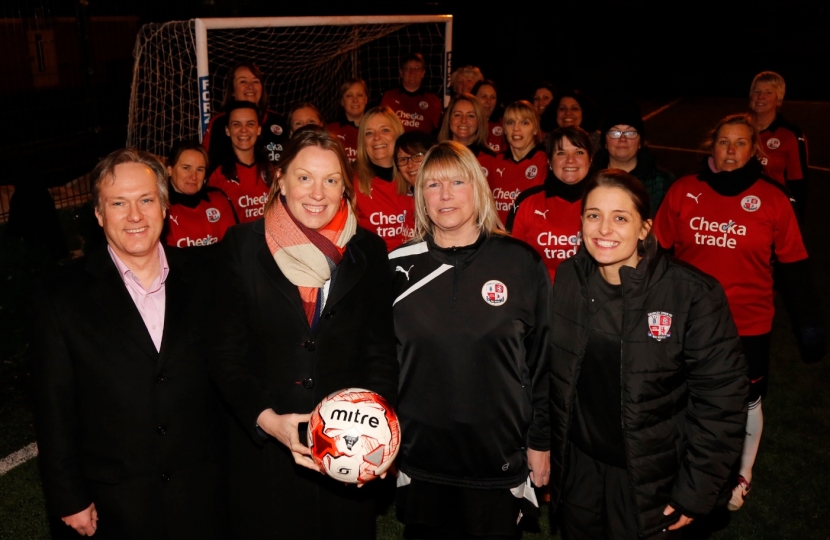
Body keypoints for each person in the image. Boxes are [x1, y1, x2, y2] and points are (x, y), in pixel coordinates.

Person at [208, 126, 398, 539]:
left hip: (346, 447)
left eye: (331, 180)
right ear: (281, 180)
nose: (317, 193)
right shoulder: (241, 246)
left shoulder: (368, 249)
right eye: (304, 177)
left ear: (345, 187)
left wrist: (373, 434)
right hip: (265, 452)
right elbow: (225, 354)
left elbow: (380, 352)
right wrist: (266, 421)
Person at [30, 148, 227, 539]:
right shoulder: (59, 296)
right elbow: (52, 406)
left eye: (145, 200)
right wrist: (68, 496)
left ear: (165, 206)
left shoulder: (209, 279)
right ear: (99, 214)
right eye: (119, 203)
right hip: (114, 505)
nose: (134, 216)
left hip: (205, 496)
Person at [550, 169, 748, 539]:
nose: (604, 229)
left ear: (644, 228)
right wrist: (544, 446)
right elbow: (554, 377)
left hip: (648, 476)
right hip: (580, 469)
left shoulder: (692, 295)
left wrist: (696, 489)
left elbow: (721, 402)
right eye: (594, 215)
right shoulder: (567, 279)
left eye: (620, 218)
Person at [653, 113, 826, 512]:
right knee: (685, 393)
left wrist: (810, 325)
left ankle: (743, 473)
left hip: (748, 322)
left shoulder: (774, 199)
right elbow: (657, 253)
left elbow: (795, 267)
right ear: (711, 146)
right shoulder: (683, 190)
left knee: (746, 399)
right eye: (723, 142)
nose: (730, 151)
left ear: (755, 150)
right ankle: (686, 464)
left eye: (740, 143)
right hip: (690, 320)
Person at [390, 140, 551, 539]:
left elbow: (544, 361)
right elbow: (382, 361)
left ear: (478, 188)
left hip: (496, 457)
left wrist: (541, 441)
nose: (445, 195)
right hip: (421, 456)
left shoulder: (520, 262)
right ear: (420, 195)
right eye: (432, 184)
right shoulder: (395, 267)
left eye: (457, 182)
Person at [508, 126, 593, 282]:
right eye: (561, 153)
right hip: (539, 298)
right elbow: (510, 261)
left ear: (590, 159)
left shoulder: (605, 201)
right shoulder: (527, 202)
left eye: (579, 152)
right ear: (549, 161)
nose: (570, 159)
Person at [591, 106, 675, 215]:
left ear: (640, 142)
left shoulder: (663, 181)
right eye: (615, 133)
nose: (622, 139)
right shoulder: (589, 177)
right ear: (605, 142)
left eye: (630, 133)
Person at [749, 71, 809, 219]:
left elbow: (798, 184)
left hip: (772, 213)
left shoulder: (791, 135)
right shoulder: (737, 129)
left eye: (768, 92)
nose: (760, 97)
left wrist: (795, 219)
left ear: (779, 99)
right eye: (757, 91)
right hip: (738, 209)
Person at [203, 61, 287, 164]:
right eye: (243, 81)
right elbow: (205, 164)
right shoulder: (219, 123)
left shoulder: (279, 121)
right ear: (232, 90)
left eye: (256, 81)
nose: (250, 86)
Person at [354, 106, 410, 251]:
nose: (377, 137)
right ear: (363, 141)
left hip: (414, 263)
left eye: (385, 130)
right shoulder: (350, 181)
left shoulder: (416, 176)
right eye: (369, 133)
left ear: (397, 134)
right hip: (375, 266)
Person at [206, 101, 272, 224]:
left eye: (250, 124)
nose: (243, 130)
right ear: (227, 130)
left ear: (258, 129)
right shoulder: (217, 175)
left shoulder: (271, 171)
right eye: (236, 124)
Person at [163, 140, 238, 248]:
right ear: (169, 169)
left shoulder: (217, 198)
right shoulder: (160, 205)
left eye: (200, 169)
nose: (193, 176)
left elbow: (233, 247)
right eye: (186, 168)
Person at [488, 100, 547, 224]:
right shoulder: (494, 162)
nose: (516, 128)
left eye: (524, 123)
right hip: (500, 239)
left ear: (535, 129)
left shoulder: (546, 162)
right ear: (504, 128)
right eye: (510, 122)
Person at [438, 93, 498, 180]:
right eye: (457, 115)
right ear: (449, 119)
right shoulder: (436, 156)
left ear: (479, 121)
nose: (463, 120)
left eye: (470, 116)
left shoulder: (492, 159)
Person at [381, 52, 442, 134]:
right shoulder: (389, 95)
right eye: (407, 68)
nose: (412, 72)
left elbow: (439, 130)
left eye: (417, 68)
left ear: (423, 73)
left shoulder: (433, 99)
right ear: (401, 72)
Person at [327, 77, 369, 160]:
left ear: (366, 99)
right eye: (349, 96)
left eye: (359, 95)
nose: (355, 100)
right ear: (342, 101)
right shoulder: (330, 129)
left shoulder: (375, 127)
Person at [472, 79, 505, 153]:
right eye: (484, 97)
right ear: (474, 98)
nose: (489, 101)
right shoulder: (467, 123)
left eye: (493, 97)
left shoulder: (503, 123)